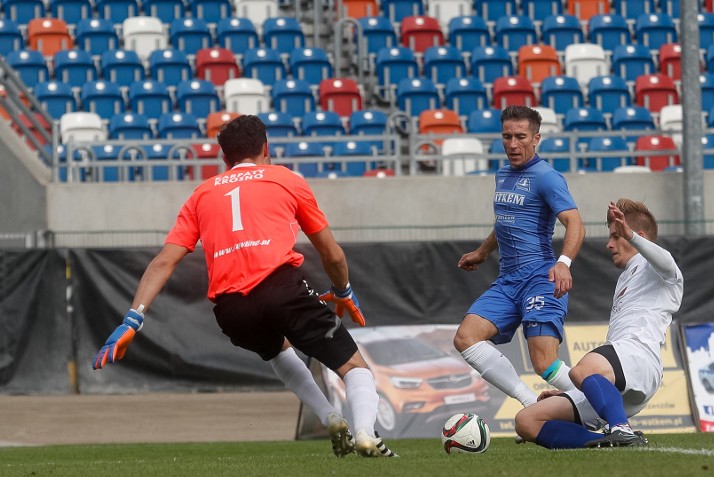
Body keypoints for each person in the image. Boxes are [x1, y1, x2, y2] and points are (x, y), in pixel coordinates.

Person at [91, 115, 397, 458]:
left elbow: (164, 262)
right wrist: (342, 290)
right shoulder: (285, 179)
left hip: (231, 309)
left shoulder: (201, 193)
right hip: (281, 287)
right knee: (354, 368)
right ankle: (366, 435)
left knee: (279, 351)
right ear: (266, 149)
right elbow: (333, 255)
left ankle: (330, 417)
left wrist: (133, 318)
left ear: (224, 159)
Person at [514, 199, 684, 448]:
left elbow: (667, 262)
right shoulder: (627, 276)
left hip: (640, 360)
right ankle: (606, 443)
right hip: (620, 376)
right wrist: (583, 391)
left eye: (616, 236)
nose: (609, 244)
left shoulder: (658, 270)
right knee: (528, 421)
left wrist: (632, 237)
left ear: (638, 236)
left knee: (582, 370)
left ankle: (621, 429)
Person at [454, 105, 585, 408]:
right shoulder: (502, 175)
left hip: (540, 278)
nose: (513, 144)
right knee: (465, 338)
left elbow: (576, 223)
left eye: (521, 137)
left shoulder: (547, 177)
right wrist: (483, 251)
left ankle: (604, 411)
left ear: (536, 138)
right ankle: (530, 402)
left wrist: (563, 263)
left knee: (544, 363)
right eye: (507, 137)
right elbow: (507, 221)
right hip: (507, 281)